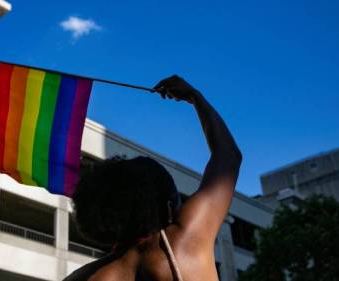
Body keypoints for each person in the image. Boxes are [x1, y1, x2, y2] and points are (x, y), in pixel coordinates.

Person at [65, 75, 242, 281]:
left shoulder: (81, 277)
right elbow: (228, 156)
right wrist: (195, 97)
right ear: (167, 208)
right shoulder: (187, 241)